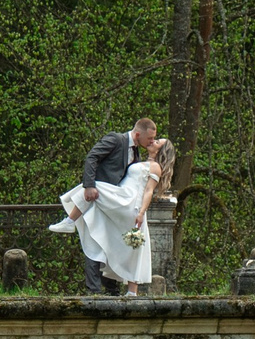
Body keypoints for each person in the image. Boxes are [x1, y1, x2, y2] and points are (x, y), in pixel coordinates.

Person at [53, 135, 175, 294]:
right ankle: (130, 291)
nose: (153, 141)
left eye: (157, 142)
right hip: (121, 195)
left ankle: (70, 221)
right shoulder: (140, 159)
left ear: (161, 151)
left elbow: (148, 191)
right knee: (130, 244)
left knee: (94, 187)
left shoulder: (155, 167)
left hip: (130, 200)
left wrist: (141, 212)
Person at [65, 118, 157, 294]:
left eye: (154, 139)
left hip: (117, 204)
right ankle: (93, 291)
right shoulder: (116, 139)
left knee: (113, 245)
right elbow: (92, 157)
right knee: (94, 243)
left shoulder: (137, 153)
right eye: (150, 138)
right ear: (138, 134)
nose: (152, 141)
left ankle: (112, 289)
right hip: (100, 198)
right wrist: (89, 185)